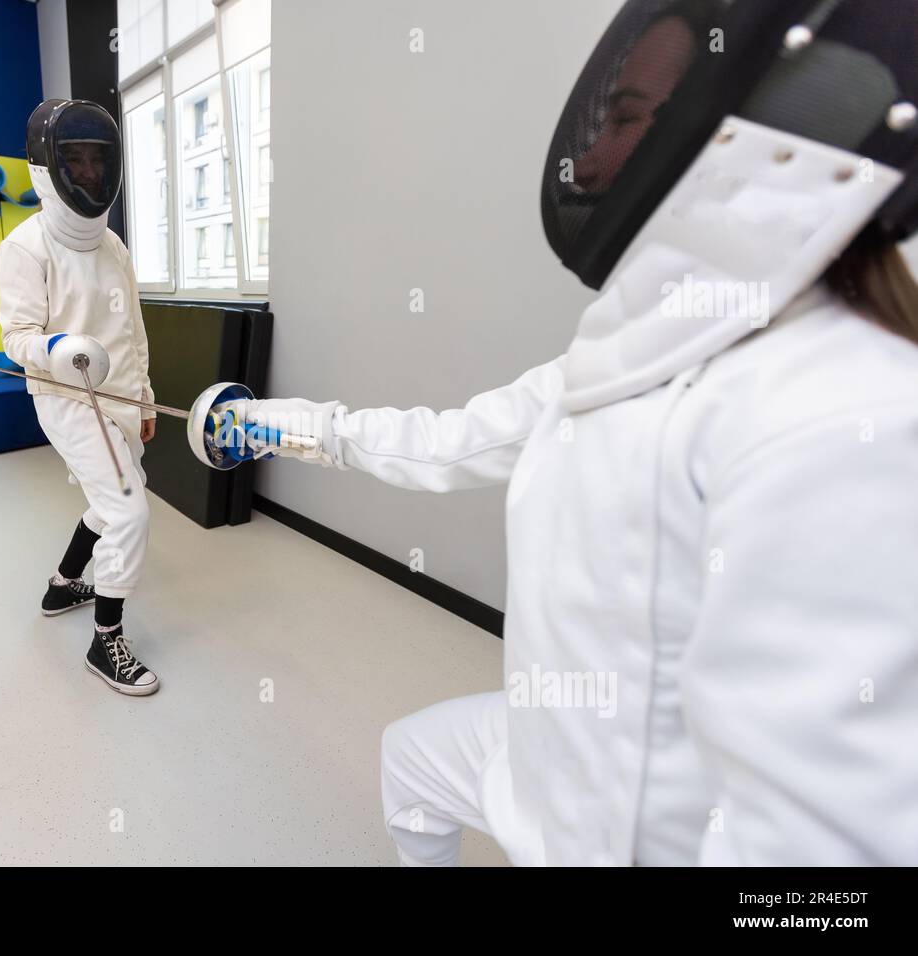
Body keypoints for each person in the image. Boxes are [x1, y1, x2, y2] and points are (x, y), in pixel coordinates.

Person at [236, 0, 918, 864]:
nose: (589, 163)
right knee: (411, 758)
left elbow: (829, 856)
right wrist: (272, 425)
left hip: (627, 834)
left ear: (749, 128)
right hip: (553, 744)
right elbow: (442, 442)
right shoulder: (611, 364)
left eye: (626, 119)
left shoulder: (840, 409)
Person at [0, 98, 160, 697]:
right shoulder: (25, 247)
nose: (90, 173)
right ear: (48, 167)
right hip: (66, 396)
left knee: (114, 498)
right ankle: (104, 640)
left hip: (119, 395)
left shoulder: (113, 247)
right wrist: (56, 347)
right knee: (129, 510)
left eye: (98, 160)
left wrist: (143, 399)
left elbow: (134, 332)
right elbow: (16, 338)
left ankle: (64, 584)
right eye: (77, 160)